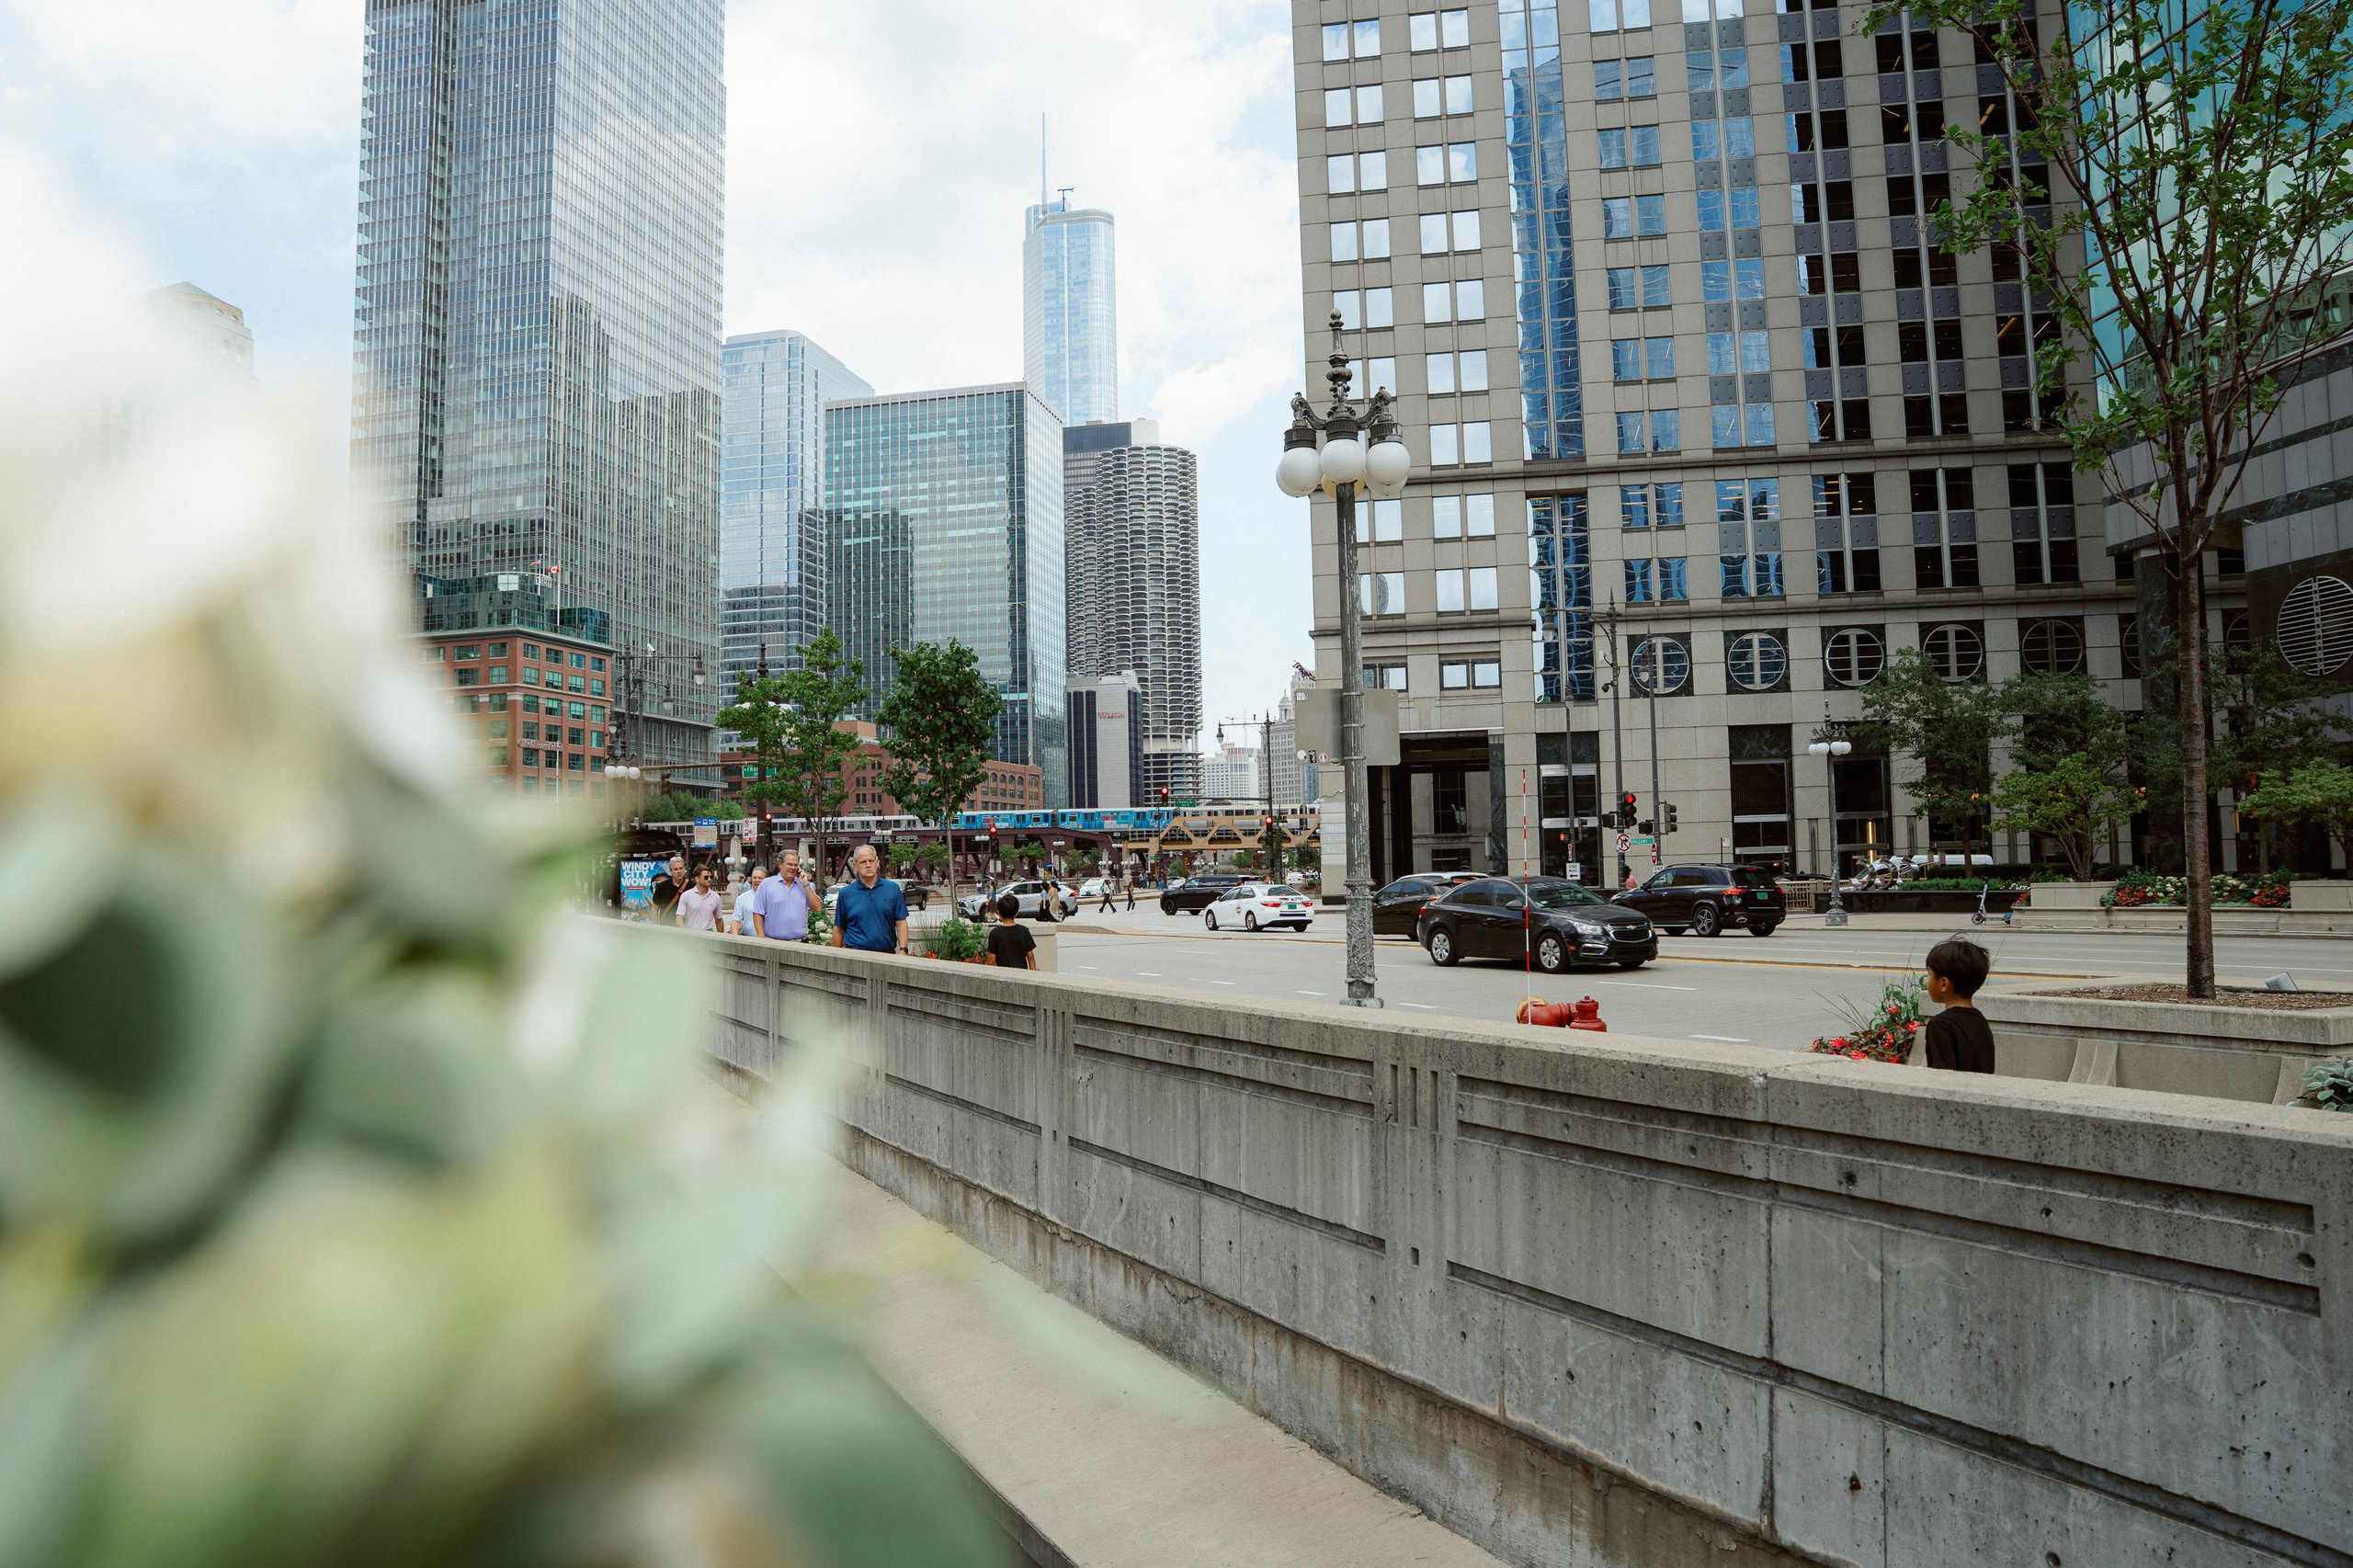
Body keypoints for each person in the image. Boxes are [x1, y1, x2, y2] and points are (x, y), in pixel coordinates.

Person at [1922, 937, 1995, 1073]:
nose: (1927, 979)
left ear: (1944, 983)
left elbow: (1942, 1075)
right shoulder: (1979, 1019)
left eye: (1929, 974)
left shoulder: (1940, 1025)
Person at [833, 844, 909, 955]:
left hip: (888, 955)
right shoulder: (846, 894)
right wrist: (835, 958)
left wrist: (903, 950)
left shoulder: (892, 889)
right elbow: (839, 929)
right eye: (863, 862)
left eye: (871, 861)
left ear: (877, 863)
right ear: (855, 866)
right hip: (856, 956)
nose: (868, 865)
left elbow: (901, 922)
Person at [752, 850, 819, 942]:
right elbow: (758, 913)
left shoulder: (805, 886)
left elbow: (818, 908)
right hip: (773, 942)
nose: (793, 868)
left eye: (796, 865)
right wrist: (761, 939)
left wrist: (806, 884)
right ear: (780, 864)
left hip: (800, 942)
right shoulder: (766, 884)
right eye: (789, 864)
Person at [984, 891, 1037, 970]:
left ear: (999, 914)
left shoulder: (995, 933)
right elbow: (1030, 956)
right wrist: (1034, 973)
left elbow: (992, 959)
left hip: (1004, 975)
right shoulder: (1024, 930)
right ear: (1016, 913)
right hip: (1022, 974)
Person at [677, 864, 722, 932]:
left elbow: (719, 920)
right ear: (697, 879)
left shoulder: (716, 897)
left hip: (708, 933)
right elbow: (679, 919)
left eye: (711, 877)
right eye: (706, 877)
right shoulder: (686, 895)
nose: (709, 879)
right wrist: (687, 933)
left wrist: (721, 939)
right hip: (691, 932)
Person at [729, 861, 766, 936]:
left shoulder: (773, 898)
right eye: (754, 878)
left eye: (760, 878)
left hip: (769, 940)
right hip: (748, 940)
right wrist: (735, 939)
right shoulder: (742, 898)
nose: (757, 880)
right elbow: (736, 920)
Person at [650, 855, 688, 924]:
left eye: (681, 868)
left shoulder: (692, 886)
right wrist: (655, 927)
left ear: (684, 869)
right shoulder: (662, 886)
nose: (679, 871)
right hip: (667, 927)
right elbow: (655, 909)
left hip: (686, 927)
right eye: (675, 869)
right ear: (670, 871)